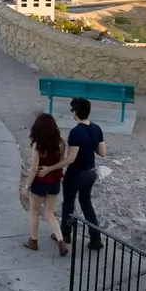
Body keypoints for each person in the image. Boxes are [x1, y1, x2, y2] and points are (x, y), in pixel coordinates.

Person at [39, 97, 106, 250]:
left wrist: (50, 168)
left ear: (75, 112)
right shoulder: (96, 128)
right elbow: (102, 152)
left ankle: (65, 234)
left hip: (76, 174)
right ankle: (96, 239)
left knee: (69, 204)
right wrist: (90, 145)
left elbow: (70, 159)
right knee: (86, 204)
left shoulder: (76, 132)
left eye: (71, 110)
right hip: (91, 173)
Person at [20, 113, 68, 255]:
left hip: (39, 183)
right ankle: (60, 241)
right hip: (54, 182)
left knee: (34, 212)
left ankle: (33, 241)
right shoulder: (61, 143)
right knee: (49, 213)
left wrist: (26, 186)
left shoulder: (37, 145)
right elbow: (60, 162)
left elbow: (34, 169)